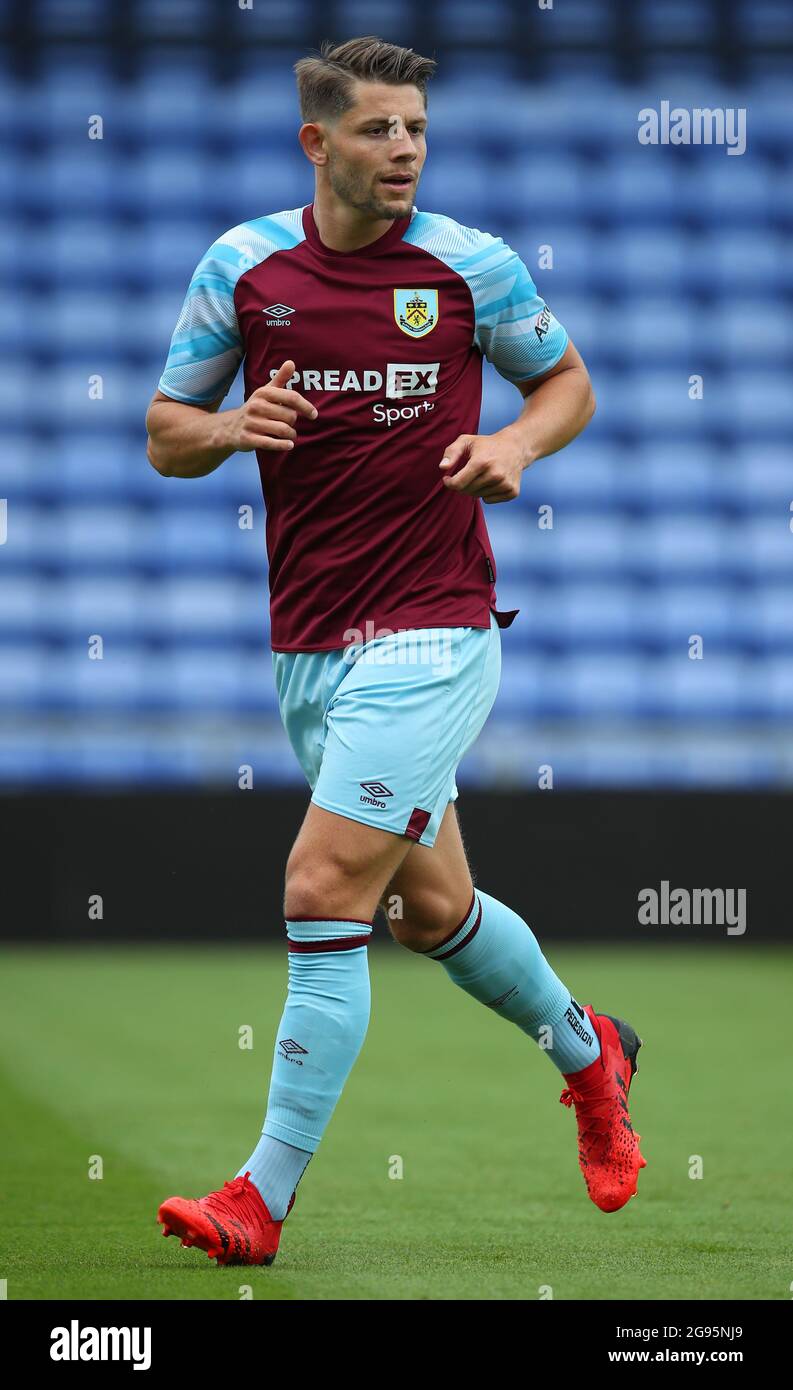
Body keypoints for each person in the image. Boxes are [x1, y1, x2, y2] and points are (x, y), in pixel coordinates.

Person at [147, 35, 645, 1268]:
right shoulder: (245, 267)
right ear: (318, 142)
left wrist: (519, 444)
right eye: (378, 130)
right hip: (310, 640)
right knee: (431, 913)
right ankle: (591, 1052)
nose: (406, 149)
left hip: (435, 628)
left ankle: (260, 1198)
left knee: (322, 889)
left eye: (416, 127)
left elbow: (568, 381)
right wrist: (228, 424)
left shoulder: (471, 265)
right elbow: (163, 434)